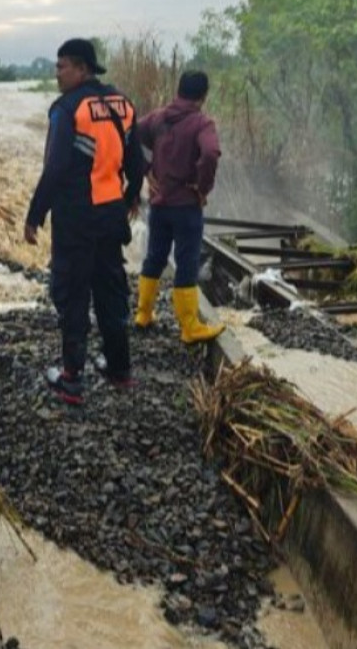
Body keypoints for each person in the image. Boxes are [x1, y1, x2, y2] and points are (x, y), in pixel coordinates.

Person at [24, 38, 147, 405]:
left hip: (76, 219)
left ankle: (71, 379)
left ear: (81, 68)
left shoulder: (67, 109)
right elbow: (136, 164)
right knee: (111, 289)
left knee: (73, 291)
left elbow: (57, 168)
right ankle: (120, 369)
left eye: (61, 66)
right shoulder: (122, 105)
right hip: (110, 216)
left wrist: (35, 215)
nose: (57, 73)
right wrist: (130, 199)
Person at [131, 70, 224, 343]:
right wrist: (202, 187)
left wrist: (146, 168)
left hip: (159, 205)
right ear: (203, 96)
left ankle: (143, 313)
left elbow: (130, 133)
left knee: (155, 257)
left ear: (179, 91)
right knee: (187, 261)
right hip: (186, 205)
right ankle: (190, 327)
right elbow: (209, 154)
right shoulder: (202, 123)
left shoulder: (159, 118)